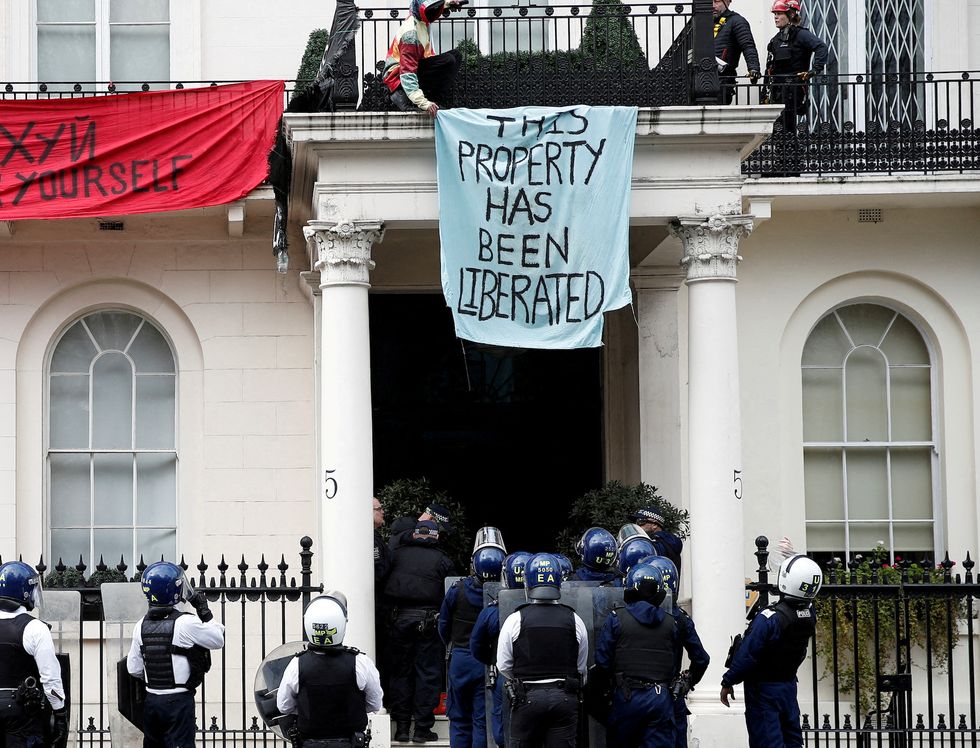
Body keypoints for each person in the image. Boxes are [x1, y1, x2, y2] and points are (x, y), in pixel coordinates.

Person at [594, 563, 709, 748]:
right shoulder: (672, 622)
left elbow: (602, 662)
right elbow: (700, 658)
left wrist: (607, 692)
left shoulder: (616, 618)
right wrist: (687, 683)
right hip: (661, 697)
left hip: (627, 696)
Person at [720, 554, 822, 748]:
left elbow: (748, 654)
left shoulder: (770, 618)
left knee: (766, 740)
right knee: (792, 739)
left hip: (763, 690)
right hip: (788, 686)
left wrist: (728, 681)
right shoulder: (809, 614)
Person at [127, 561, 225, 748]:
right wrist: (204, 610)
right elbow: (218, 639)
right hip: (178, 703)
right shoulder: (186, 623)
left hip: (152, 702)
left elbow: (134, 668)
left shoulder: (140, 625)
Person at [496, 553, 589, 748]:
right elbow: (581, 667)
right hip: (564, 696)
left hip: (526, 697)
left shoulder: (515, 619)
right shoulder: (574, 619)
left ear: (527, 583)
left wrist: (523, 677)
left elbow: (503, 665)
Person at [276, 592, 383, 746]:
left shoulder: (297, 664)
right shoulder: (361, 662)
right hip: (350, 742)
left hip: (311, 743)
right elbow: (375, 704)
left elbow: (284, 706)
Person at [383, 519, 456, 743]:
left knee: (400, 673)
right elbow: (451, 593)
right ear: (436, 537)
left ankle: (402, 728)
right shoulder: (442, 559)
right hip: (429, 622)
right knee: (428, 674)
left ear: (414, 534)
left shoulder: (396, 555)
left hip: (399, 620)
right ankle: (422, 730)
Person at [439, 529, 507, 748]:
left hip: (460, 658)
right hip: (487, 662)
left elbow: (443, 627)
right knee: (481, 720)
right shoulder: (505, 596)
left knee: (459, 719)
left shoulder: (456, 590)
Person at [0, 561, 68, 747]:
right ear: (24, 591)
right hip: (21, 712)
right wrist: (60, 714)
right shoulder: (34, 628)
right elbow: (50, 677)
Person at [470, 551, 531, 747]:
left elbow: (476, 645)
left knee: (503, 729)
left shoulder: (492, 611)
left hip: (507, 674)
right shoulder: (553, 610)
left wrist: (493, 660)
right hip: (542, 676)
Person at [643, 556, 703, 748]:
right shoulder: (681, 619)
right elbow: (701, 658)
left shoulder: (632, 616)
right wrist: (689, 681)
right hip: (670, 691)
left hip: (639, 693)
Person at [383, 0, 465, 117]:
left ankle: (435, 100)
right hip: (397, 78)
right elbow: (407, 72)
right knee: (448, 60)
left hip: (414, 67)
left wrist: (449, 4)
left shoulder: (419, 18)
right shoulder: (410, 34)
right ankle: (409, 95)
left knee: (456, 55)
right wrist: (423, 103)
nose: (435, 11)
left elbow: (428, 5)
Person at [765, 0, 828, 135]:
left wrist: (814, 70)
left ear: (791, 15)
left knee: (788, 128)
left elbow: (821, 47)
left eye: (779, 14)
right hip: (777, 90)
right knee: (778, 129)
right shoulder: (776, 39)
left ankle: (791, 149)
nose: (776, 17)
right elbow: (770, 66)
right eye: (775, 14)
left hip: (793, 89)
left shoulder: (801, 34)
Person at [713, 0, 761, 104]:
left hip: (723, 82)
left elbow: (748, 46)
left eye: (716, 1)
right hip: (700, 82)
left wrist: (753, 68)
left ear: (727, 2)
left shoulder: (737, 21)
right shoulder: (703, 22)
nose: (712, 5)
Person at [632, 507, 684, 581]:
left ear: (654, 525)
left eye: (641, 521)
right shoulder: (665, 541)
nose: (637, 526)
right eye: (636, 522)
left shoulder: (659, 543)